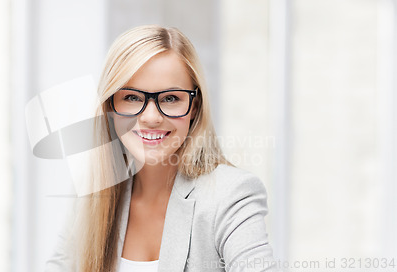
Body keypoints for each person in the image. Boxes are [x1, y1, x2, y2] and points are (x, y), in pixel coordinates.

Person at [45, 25, 281, 272]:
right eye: (132, 97)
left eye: (170, 98)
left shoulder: (231, 195)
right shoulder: (93, 191)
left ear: (194, 107)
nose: (150, 117)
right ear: (109, 108)